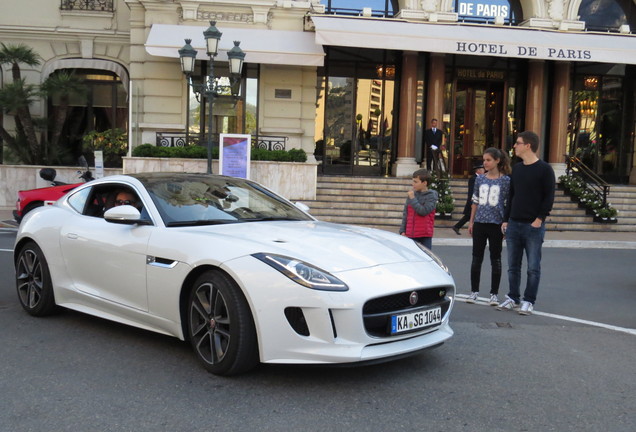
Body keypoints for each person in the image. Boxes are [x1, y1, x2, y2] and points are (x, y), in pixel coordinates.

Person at [497, 131, 555, 315]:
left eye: (518, 143)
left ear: (528, 146)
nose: (514, 146)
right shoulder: (518, 169)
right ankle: (513, 297)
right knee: (513, 265)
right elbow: (511, 196)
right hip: (514, 223)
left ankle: (529, 301)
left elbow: (549, 198)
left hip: (533, 225)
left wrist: (539, 220)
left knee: (532, 267)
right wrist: (506, 220)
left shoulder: (545, 169)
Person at [466, 148, 510, 306]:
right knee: (476, 258)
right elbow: (475, 201)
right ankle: (474, 291)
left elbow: (507, 204)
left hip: (496, 224)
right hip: (479, 223)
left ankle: (494, 294)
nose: (485, 163)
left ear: (497, 161)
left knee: (495, 258)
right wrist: (471, 222)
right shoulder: (480, 179)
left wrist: (506, 222)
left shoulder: (505, 180)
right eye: (484, 160)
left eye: (488, 160)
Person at [400, 169, 438, 250]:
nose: (413, 184)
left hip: (424, 235)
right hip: (410, 234)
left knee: (425, 258)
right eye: (413, 181)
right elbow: (406, 213)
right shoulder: (412, 195)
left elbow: (423, 211)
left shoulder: (431, 196)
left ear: (424, 183)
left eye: (416, 182)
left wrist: (413, 198)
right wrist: (402, 230)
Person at [452, 163, 486, 235]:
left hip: (477, 200)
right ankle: (458, 226)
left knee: (469, 216)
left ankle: (457, 226)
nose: (484, 171)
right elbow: (472, 191)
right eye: (482, 169)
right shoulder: (474, 179)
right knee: (469, 215)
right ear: (478, 170)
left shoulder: (480, 178)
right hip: (473, 200)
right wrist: (472, 201)